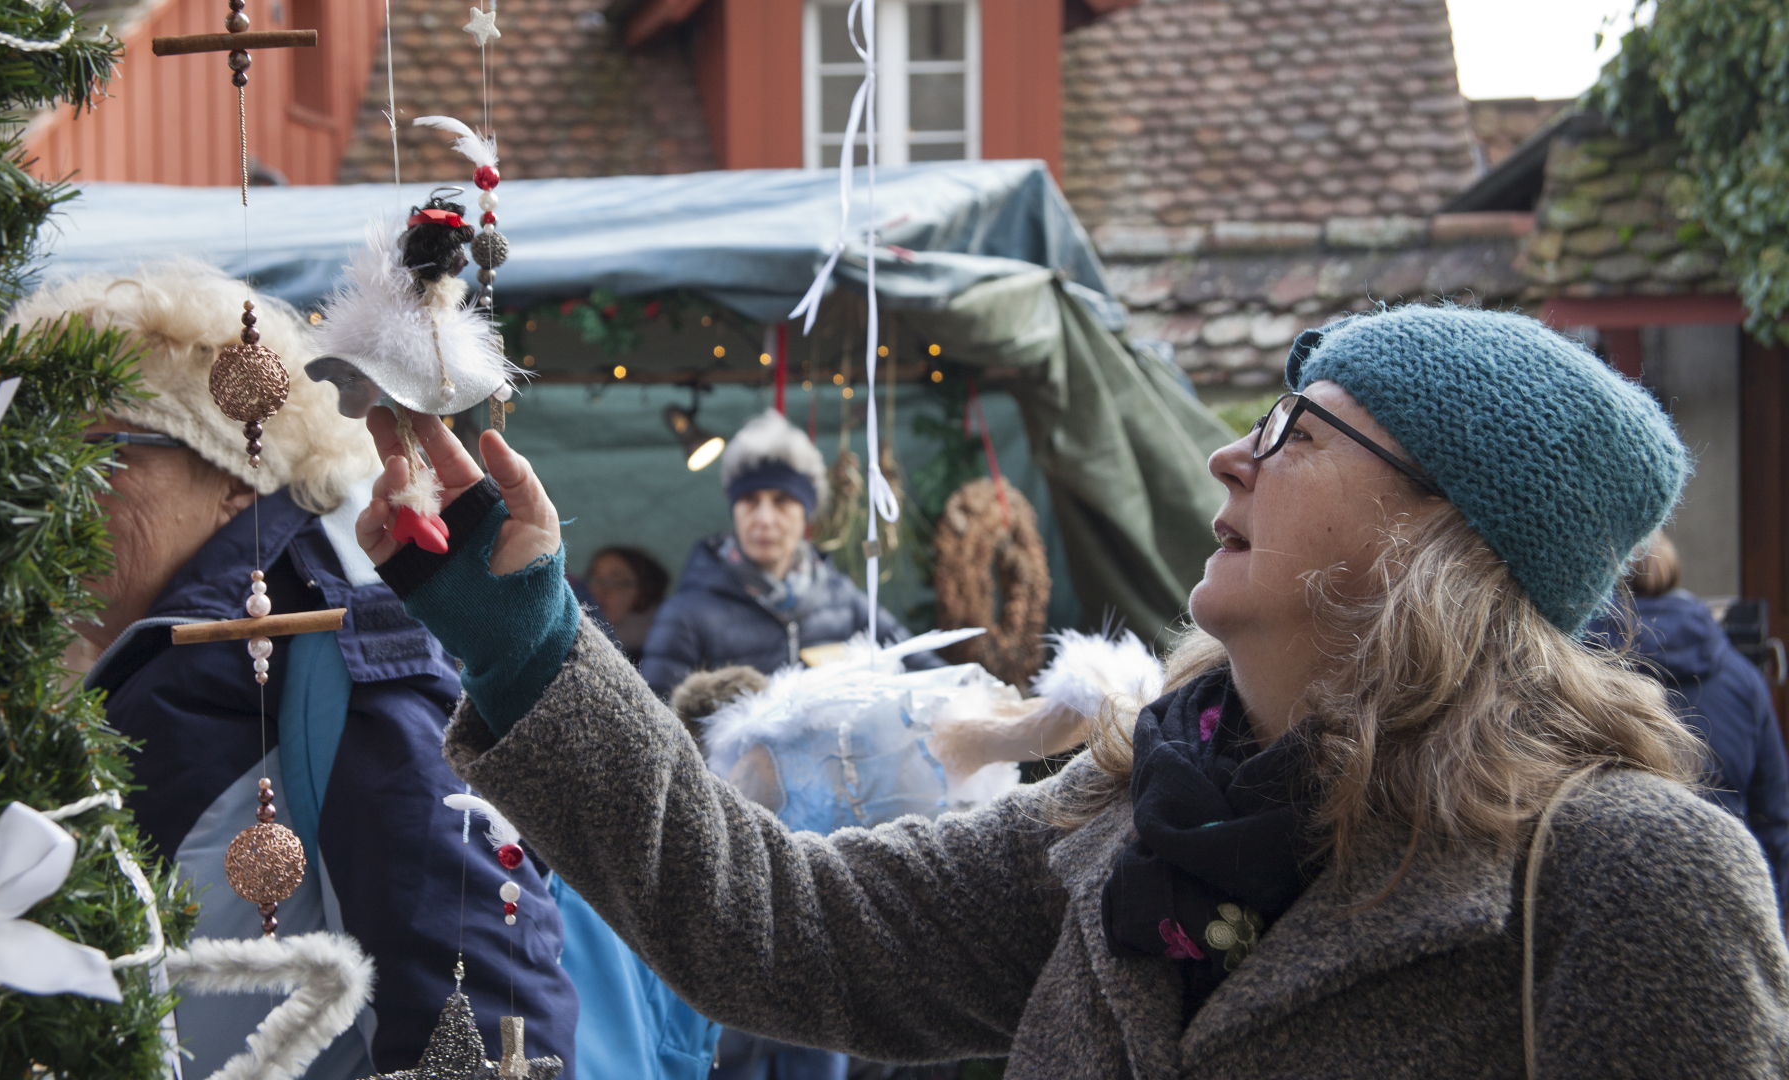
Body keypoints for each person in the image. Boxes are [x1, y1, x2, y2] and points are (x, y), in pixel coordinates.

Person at [357, 306, 1789, 1077]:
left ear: (1443, 533)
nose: (1231, 455)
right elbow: (783, 927)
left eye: (1299, 429)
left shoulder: (1624, 875)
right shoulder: (1131, 815)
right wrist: (529, 644)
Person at [12, 265, 578, 1079]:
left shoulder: (335, 635)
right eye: (38, 458)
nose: (56, 493)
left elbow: (468, 980)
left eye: (103, 453)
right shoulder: (68, 652)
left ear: (233, 476)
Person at [640, 411, 937, 700]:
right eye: (749, 500)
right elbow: (651, 721)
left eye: (782, 500)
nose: (764, 519)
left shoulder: (843, 600)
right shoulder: (686, 614)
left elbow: (927, 672)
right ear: (734, 509)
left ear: (807, 512)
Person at [1590, 530, 1789, 915]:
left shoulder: (1573, 673)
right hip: (1723, 898)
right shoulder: (1743, 679)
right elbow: (1774, 817)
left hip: (1607, 902)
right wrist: (1772, 920)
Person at [586, 546, 671, 663]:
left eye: (616, 582)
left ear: (644, 593)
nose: (599, 590)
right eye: (595, 579)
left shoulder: (659, 653)